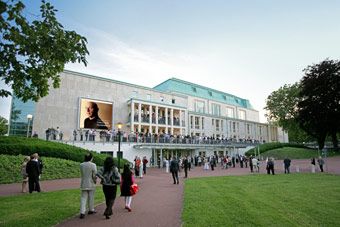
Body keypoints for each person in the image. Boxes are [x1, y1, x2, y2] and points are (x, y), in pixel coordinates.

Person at [79, 153, 97, 219]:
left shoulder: (81, 165)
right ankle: (91, 209)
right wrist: (95, 181)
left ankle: (82, 212)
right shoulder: (93, 165)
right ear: (91, 158)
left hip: (83, 182)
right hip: (91, 183)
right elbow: (95, 174)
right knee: (91, 197)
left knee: (83, 198)